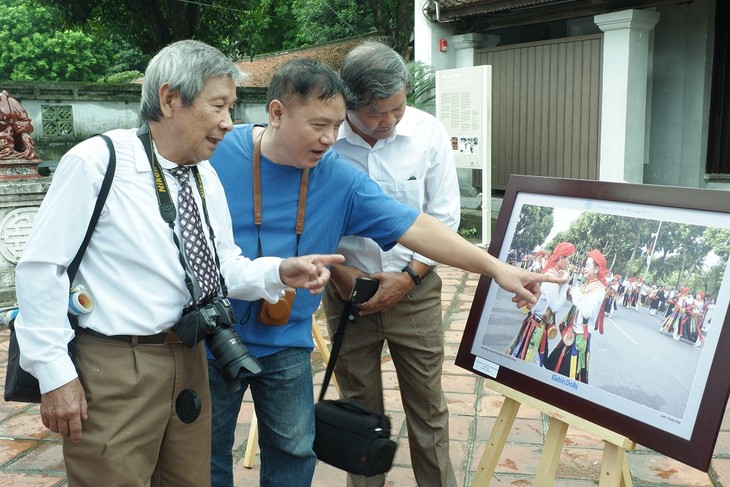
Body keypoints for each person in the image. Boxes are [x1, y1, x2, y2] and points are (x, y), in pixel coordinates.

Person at [208, 56, 560, 487]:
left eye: (336, 126)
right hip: (215, 336)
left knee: (295, 448)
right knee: (207, 452)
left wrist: (494, 268)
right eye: (320, 124)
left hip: (286, 338)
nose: (329, 138)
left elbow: (418, 226)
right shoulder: (217, 153)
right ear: (277, 113)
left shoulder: (337, 176)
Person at [12, 40, 343, 487]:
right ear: (170, 99)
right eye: (219, 106)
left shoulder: (205, 175)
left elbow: (220, 264)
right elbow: (41, 268)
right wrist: (54, 374)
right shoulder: (97, 162)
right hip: (114, 366)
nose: (230, 123)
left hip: (191, 358)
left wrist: (277, 272)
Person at [318, 40, 462, 487]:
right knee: (359, 409)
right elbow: (309, 217)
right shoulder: (324, 141)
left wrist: (408, 277)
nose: (389, 121)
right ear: (349, 103)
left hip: (414, 293)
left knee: (428, 408)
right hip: (348, 295)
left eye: (397, 108)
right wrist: (341, 275)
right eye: (377, 113)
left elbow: (444, 217)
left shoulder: (428, 133)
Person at [505, 242, 574, 367]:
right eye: (569, 259)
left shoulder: (551, 272)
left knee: (527, 357)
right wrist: (564, 284)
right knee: (534, 362)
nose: (569, 262)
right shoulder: (550, 276)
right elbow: (555, 306)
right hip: (537, 327)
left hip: (538, 325)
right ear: (560, 258)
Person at [544, 249, 608, 384]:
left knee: (569, 380)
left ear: (596, 269)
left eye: (587, 266)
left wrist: (575, 292)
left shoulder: (599, 290)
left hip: (579, 340)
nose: (584, 269)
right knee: (552, 369)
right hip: (570, 335)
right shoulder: (587, 284)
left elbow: (587, 311)